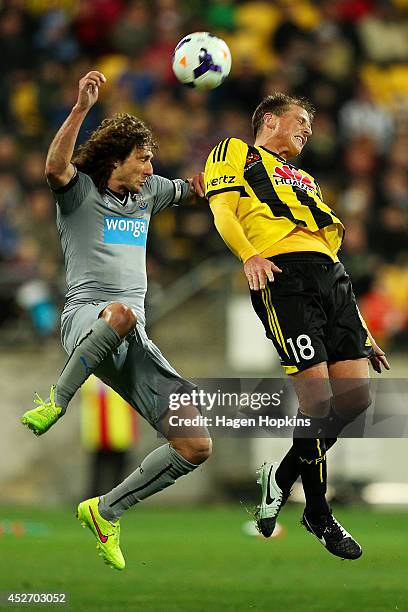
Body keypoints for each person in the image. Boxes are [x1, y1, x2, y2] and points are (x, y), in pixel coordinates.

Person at [21, 71, 212, 571]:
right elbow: (54, 165)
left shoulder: (148, 194)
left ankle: (106, 511)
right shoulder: (80, 193)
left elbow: (195, 188)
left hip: (132, 335)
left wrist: (243, 168)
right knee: (121, 312)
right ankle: (56, 400)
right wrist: (81, 107)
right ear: (116, 161)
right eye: (143, 158)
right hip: (86, 319)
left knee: (195, 443)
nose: (152, 167)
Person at [204, 93, 389, 560]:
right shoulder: (235, 152)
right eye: (300, 121)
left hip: (331, 278)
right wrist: (248, 255)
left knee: (355, 399)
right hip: (283, 277)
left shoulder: (305, 179)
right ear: (269, 119)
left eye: (310, 125)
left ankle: (281, 479)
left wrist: (363, 330)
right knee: (319, 401)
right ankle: (319, 514)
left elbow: (331, 252)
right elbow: (223, 209)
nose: (308, 131)